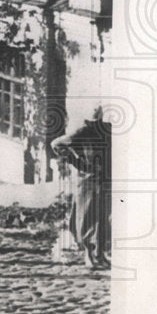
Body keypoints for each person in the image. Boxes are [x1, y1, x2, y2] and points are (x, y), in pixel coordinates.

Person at [50, 107, 111, 269]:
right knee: (87, 218)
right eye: (93, 117)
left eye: (98, 116)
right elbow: (56, 144)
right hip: (87, 181)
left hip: (104, 180)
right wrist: (74, 161)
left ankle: (100, 254)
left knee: (102, 219)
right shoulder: (81, 132)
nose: (95, 119)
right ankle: (88, 255)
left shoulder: (107, 130)